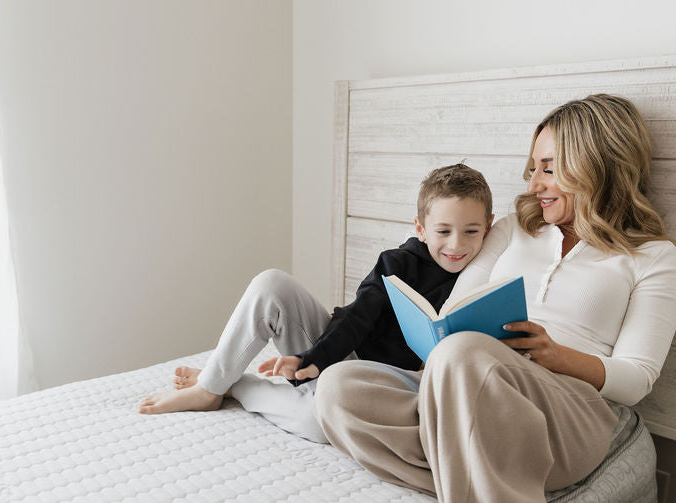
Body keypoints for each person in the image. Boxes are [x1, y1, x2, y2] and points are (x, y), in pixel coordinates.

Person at [313, 94, 676, 503]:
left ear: (598, 159)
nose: (532, 179)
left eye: (547, 166)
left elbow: (638, 378)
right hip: (466, 386)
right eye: (531, 165)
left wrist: (555, 355)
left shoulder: (651, 257)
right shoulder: (512, 230)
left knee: (464, 357)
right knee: (339, 390)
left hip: (568, 412)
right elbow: (456, 313)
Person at [138, 164, 494, 444]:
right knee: (271, 283)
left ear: (489, 227)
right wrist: (316, 358)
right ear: (421, 228)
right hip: (340, 348)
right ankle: (209, 388)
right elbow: (358, 315)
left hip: (373, 385)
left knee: (324, 425)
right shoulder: (398, 262)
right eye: (443, 231)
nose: (456, 244)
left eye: (471, 231)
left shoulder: (484, 277)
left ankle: (235, 385)